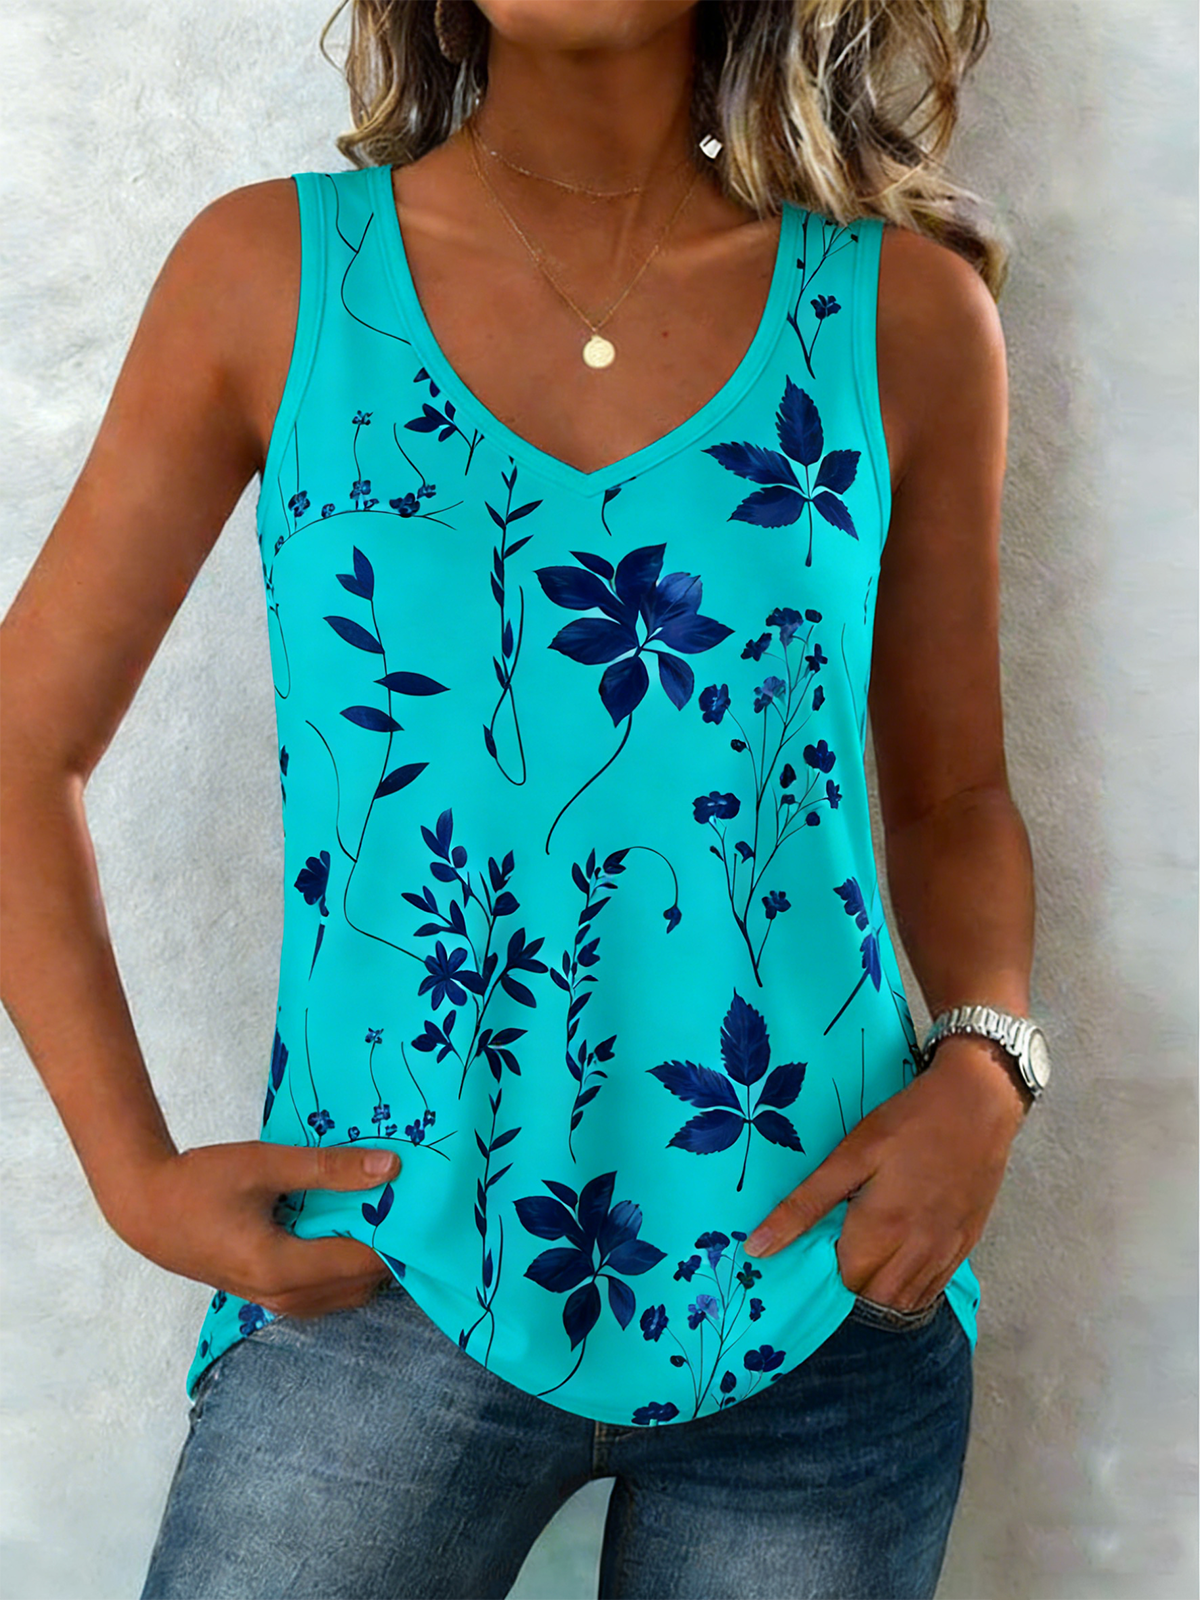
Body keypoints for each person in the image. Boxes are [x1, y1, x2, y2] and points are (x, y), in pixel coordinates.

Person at [0, 2, 1051, 1596]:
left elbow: (956, 793)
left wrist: (988, 1065)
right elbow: (21, 748)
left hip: (822, 1278)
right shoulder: (275, 278)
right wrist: (132, 1179)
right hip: (385, 1271)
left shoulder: (898, 316)